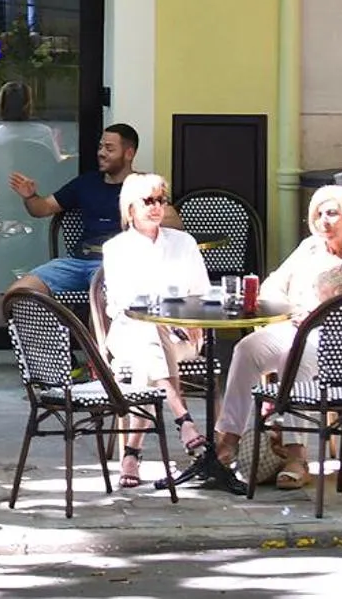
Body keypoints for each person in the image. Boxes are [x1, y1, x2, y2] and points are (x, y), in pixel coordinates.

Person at [209, 185, 342, 489]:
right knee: (246, 349)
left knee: (299, 352)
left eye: (332, 213)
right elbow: (272, 285)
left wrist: (325, 313)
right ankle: (229, 438)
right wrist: (293, 309)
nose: (324, 221)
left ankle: (296, 455)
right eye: (318, 214)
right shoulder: (309, 247)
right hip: (296, 328)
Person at [100, 172, 211, 486]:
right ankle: (183, 418)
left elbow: (200, 293)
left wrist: (189, 322)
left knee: (149, 358)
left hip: (181, 334)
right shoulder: (116, 248)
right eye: (147, 200)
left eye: (161, 200)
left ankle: (131, 453)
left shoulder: (183, 242)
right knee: (148, 334)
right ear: (130, 208)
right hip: (128, 332)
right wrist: (161, 319)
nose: (156, 207)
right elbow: (123, 303)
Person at [6, 124, 140, 298]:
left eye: (109, 148)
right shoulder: (86, 183)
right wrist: (30, 196)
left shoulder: (142, 187)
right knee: (18, 294)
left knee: (102, 302)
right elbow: (42, 209)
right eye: (100, 147)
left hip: (116, 265)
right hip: (77, 262)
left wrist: (142, 208)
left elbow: (174, 222)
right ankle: (56, 326)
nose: (101, 153)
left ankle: (93, 326)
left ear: (129, 153)